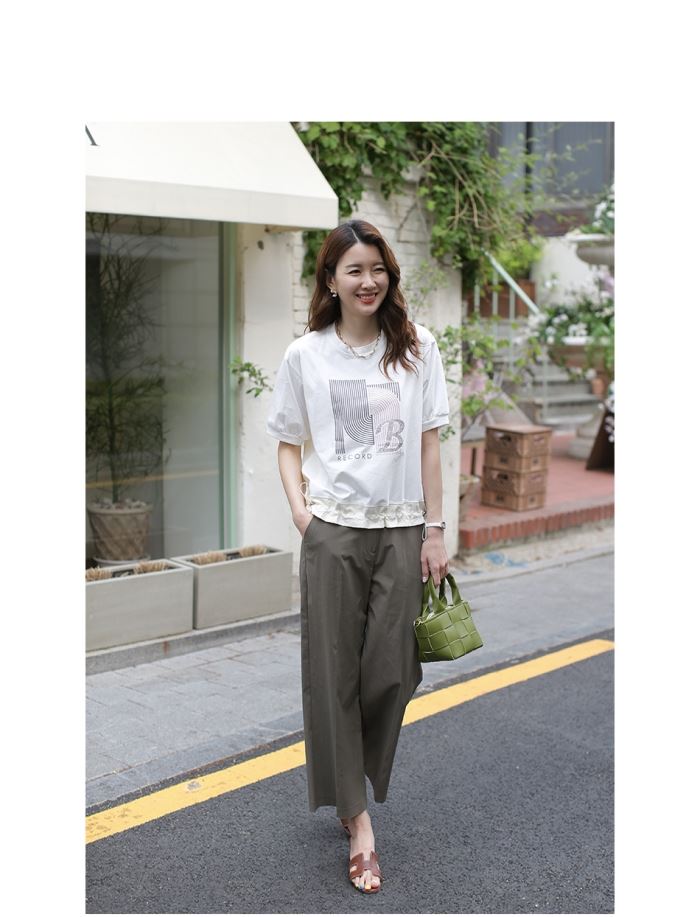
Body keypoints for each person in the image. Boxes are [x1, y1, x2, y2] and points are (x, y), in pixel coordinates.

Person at [266, 219, 450, 893]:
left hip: (401, 528)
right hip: (334, 531)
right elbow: (288, 442)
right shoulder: (305, 355)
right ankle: (357, 818)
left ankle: (353, 776)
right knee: (332, 674)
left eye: (378, 268)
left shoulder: (417, 346)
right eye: (354, 270)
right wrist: (301, 512)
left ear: (389, 276)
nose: (368, 281)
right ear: (331, 280)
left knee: (392, 671)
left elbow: (428, 443)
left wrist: (436, 529)